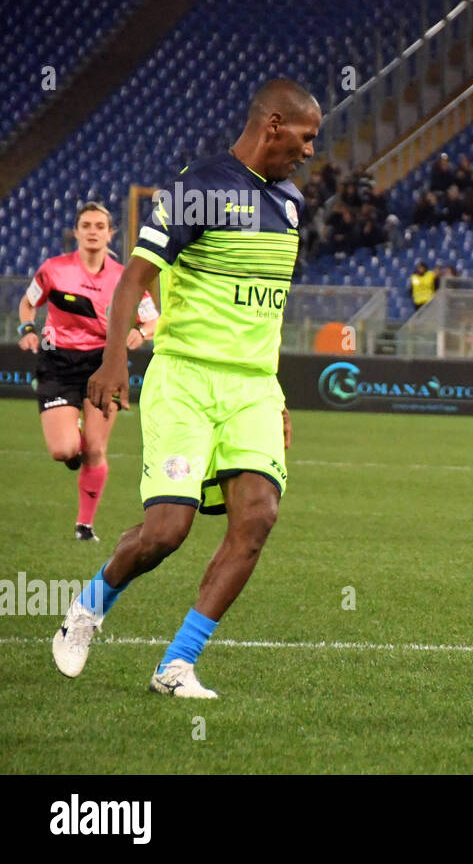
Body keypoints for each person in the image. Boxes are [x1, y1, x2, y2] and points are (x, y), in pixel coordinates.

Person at [53, 77, 320, 699]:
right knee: (167, 532)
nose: (310, 151)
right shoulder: (195, 190)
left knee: (258, 517)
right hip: (186, 379)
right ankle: (89, 608)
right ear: (274, 124)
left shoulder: (291, 201)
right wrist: (113, 359)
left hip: (252, 388)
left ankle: (176, 666)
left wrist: (274, 394)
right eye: (307, 137)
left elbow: (267, 311)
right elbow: (133, 281)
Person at [18, 202, 158, 541]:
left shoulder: (124, 278)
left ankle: (85, 526)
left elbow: (152, 318)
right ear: (77, 232)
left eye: (100, 226)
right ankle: (73, 430)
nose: (93, 231)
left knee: (95, 449)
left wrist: (142, 332)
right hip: (57, 364)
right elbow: (27, 303)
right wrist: (28, 328)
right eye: (87, 225)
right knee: (64, 451)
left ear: (110, 234)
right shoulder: (53, 269)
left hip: (103, 364)